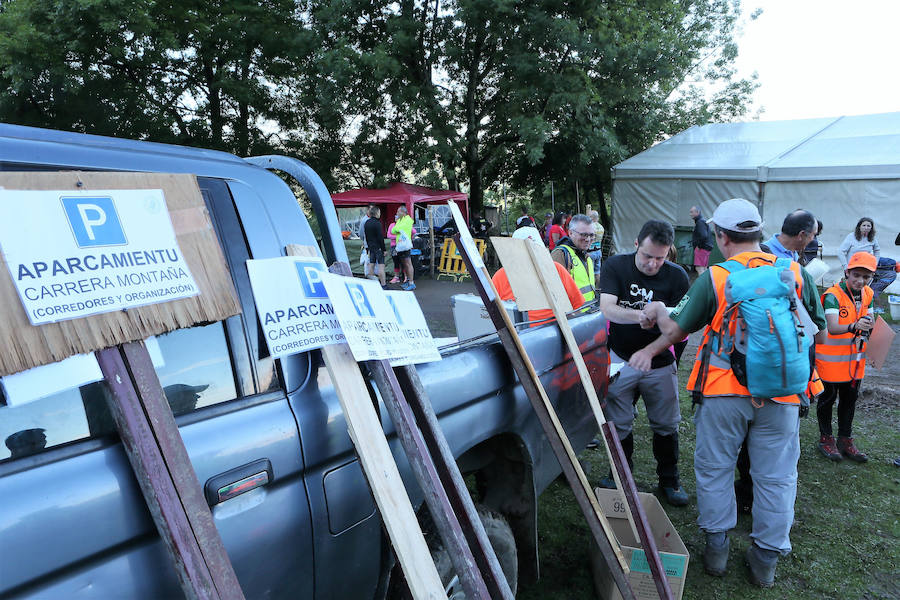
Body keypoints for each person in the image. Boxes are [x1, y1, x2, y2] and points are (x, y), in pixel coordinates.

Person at [640, 198, 827, 588]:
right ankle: (766, 559)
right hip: (784, 395)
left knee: (716, 469)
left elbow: (677, 330)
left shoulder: (716, 276)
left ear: (722, 237)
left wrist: (654, 326)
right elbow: (818, 334)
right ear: (759, 233)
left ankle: (717, 549)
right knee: (776, 476)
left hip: (724, 392)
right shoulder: (795, 271)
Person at [596, 220, 690, 506]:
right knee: (619, 422)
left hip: (660, 362)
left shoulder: (677, 277)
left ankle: (669, 480)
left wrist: (658, 322)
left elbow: (682, 325)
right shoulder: (616, 266)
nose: (652, 264)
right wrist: (639, 316)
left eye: (660, 258)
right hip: (620, 359)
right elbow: (608, 308)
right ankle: (621, 475)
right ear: (636, 244)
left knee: (666, 423)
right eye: (647, 256)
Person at [815, 252, 877, 463]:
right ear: (847, 273)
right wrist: (854, 326)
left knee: (849, 401)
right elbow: (832, 327)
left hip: (854, 361)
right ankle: (826, 438)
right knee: (827, 399)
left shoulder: (868, 293)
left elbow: (869, 316)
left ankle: (845, 439)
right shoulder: (833, 295)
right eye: (856, 275)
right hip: (830, 361)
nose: (860, 281)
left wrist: (869, 323)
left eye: (866, 277)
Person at [494, 228, 586, 326]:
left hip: (554, 334)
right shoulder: (500, 277)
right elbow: (490, 314)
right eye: (524, 252)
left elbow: (577, 308)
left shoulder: (556, 270)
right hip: (516, 335)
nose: (531, 257)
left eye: (535, 250)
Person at [550, 214, 597, 302]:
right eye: (583, 235)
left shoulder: (586, 256)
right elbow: (553, 292)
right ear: (570, 233)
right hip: (573, 314)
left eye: (591, 235)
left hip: (588, 312)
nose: (588, 239)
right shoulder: (561, 254)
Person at [391, 205, 416, 291]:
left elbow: (397, 228)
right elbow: (393, 230)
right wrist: (397, 229)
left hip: (405, 246)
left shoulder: (408, 220)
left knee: (408, 264)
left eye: (398, 211)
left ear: (403, 212)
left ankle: (411, 282)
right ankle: (408, 281)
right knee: (404, 264)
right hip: (400, 246)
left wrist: (397, 228)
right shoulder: (400, 220)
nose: (397, 213)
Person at [364, 205, 387, 286]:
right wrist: (384, 249)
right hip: (378, 248)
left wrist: (368, 247)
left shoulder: (367, 222)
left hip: (371, 247)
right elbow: (380, 237)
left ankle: (372, 284)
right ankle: (383, 284)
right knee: (381, 266)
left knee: (371, 265)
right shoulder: (378, 223)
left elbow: (366, 236)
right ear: (377, 213)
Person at [690, 206, 713, 274]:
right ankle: (707, 284)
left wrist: (699, 246)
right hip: (706, 247)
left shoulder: (700, 222)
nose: (690, 214)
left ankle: (703, 284)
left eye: (692, 212)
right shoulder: (701, 221)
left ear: (697, 212)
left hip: (702, 248)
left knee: (699, 268)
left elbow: (703, 236)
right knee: (704, 267)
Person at [588, 210, 605, 283]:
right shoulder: (601, 227)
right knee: (597, 272)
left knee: (590, 273)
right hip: (598, 251)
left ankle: (592, 288)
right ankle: (598, 289)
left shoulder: (591, 227)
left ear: (591, 218)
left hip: (590, 252)